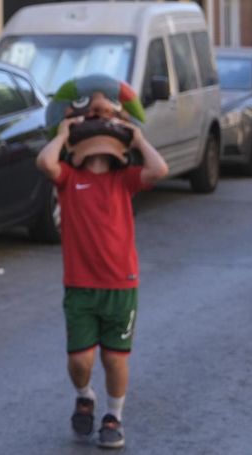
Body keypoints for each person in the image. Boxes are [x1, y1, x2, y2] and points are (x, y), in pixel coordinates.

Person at [35, 76, 170, 450]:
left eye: (105, 110)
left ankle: (114, 415)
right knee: (80, 361)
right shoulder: (69, 178)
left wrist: (138, 136)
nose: (98, 115)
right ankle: (84, 395)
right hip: (80, 285)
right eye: (91, 110)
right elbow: (45, 162)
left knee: (114, 359)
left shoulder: (124, 179)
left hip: (121, 286)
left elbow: (159, 170)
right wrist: (63, 132)